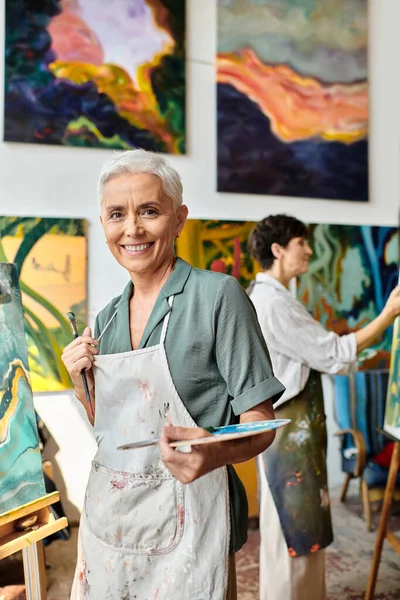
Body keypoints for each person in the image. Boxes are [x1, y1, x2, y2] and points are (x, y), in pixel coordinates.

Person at [61, 150, 285, 600]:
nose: (132, 229)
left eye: (149, 211)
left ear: (179, 218)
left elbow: (260, 421)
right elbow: (111, 431)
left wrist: (214, 454)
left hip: (194, 524)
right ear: (103, 224)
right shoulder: (104, 320)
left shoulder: (218, 297)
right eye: (116, 215)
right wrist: (78, 379)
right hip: (114, 523)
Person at [247, 214, 400, 600]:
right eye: (303, 242)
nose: (310, 250)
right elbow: (333, 354)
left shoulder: (273, 297)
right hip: (287, 438)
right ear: (279, 250)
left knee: (300, 535)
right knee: (294, 536)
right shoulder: (273, 303)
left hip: (290, 435)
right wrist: (387, 316)